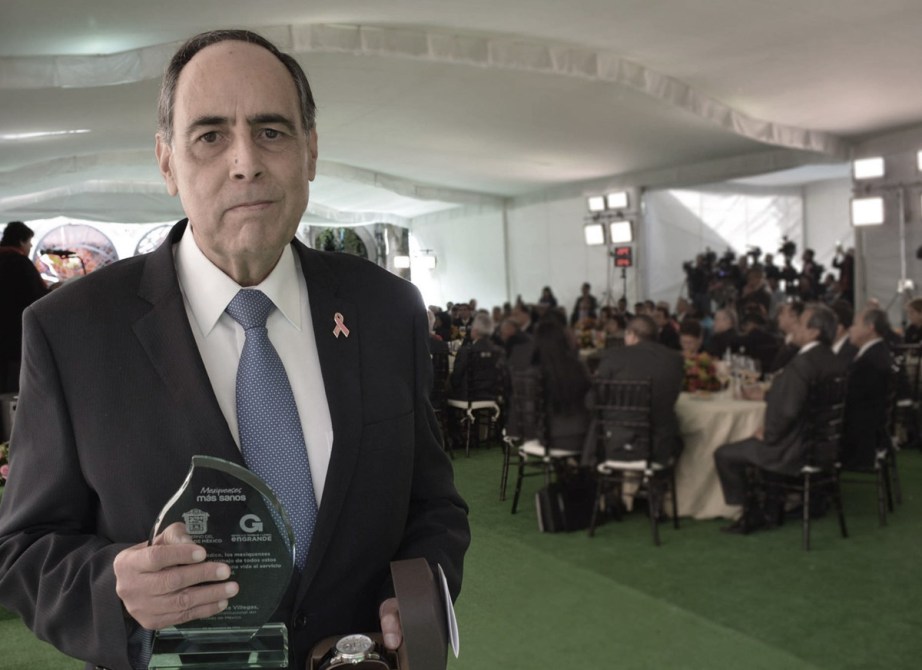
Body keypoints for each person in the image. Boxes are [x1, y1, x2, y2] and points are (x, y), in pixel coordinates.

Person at [0, 30, 469, 670]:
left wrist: (420, 590)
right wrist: (116, 588)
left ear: (310, 152)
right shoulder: (71, 331)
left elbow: (433, 503)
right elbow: (25, 547)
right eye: (210, 136)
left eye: (272, 131)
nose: (245, 161)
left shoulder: (387, 309)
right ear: (167, 162)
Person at [713, 303, 847, 532]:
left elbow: (787, 411)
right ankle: (770, 507)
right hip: (823, 446)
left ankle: (751, 512)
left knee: (724, 454)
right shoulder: (833, 360)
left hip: (792, 449)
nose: (795, 327)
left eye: (801, 324)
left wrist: (768, 434)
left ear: (814, 332)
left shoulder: (803, 364)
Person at [587, 315, 684, 464]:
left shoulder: (613, 356)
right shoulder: (674, 359)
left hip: (613, 443)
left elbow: (593, 402)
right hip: (660, 446)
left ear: (632, 335)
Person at [841, 307, 893, 470]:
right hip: (869, 433)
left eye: (855, 324)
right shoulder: (877, 353)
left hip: (860, 440)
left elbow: (850, 399)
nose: (850, 329)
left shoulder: (870, 361)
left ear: (870, 328)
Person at [0, 221, 48, 392]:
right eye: (29, 242)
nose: (31, 246)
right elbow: (37, 298)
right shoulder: (19, 263)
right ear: (21, 241)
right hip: (15, 337)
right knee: (13, 389)